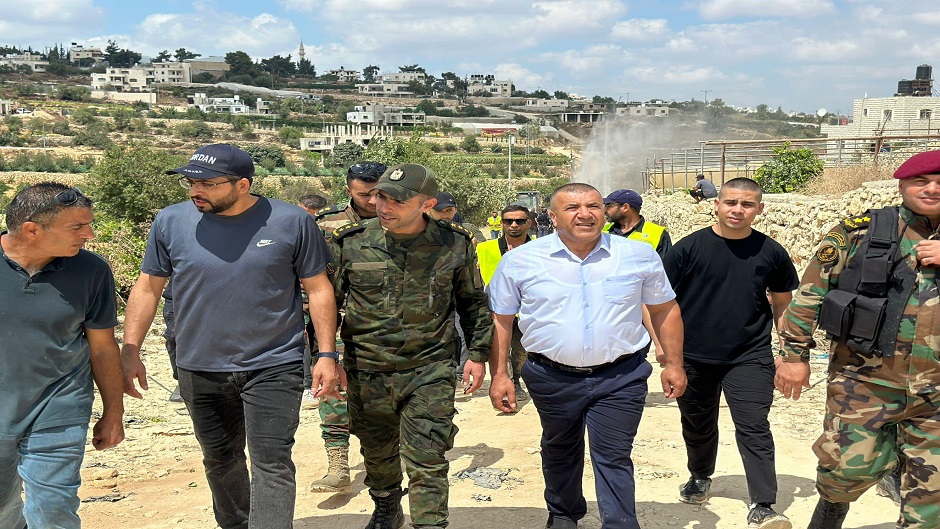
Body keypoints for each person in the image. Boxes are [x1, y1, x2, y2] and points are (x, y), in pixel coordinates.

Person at [121, 143, 341, 529]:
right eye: (191, 182)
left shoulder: (292, 221)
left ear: (242, 184)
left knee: (272, 462)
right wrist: (130, 348)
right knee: (221, 460)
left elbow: (319, 288)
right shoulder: (170, 221)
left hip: (274, 363)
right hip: (199, 365)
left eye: (207, 184)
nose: (195, 190)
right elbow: (148, 288)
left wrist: (326, 355)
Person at [487, 183, 687, 529]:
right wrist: (500, 374)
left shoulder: (637, 255)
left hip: (620, 376)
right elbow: (501, 319)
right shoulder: (520, 261)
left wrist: (674, 363)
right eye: (572, 208)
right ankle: (564, 515)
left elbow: (664, 309)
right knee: (559, 449)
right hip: (550, 376)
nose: (585, 214)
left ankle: (620, 523)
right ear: (551, 217)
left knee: (613, 454)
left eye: (593, 206)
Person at [776, 150, 940, 529]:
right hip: (864, 381)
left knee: (932, 498)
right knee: (844, 473)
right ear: (902, 185)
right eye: (921, 181)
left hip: (935, 394)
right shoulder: (859, 232)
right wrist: (794, 357)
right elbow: (810, 296)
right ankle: (832, 513)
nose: (932, 190)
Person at [329, 163, 493, 529]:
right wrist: (324, 357)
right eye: (380, 197)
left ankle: (430, 524)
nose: (384, 207)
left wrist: (478, 355)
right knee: (377, 450)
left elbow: (473, 303)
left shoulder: (454, 243)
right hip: (366, 367)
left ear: (427, 204)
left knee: (428, 454)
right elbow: (325, 305)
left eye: (397, 201)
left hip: (429, 367)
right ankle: (387, 505)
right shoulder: (350, 242)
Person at [662, 177, 799, 529]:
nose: (738, 210)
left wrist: (790, 354)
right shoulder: (687, 249)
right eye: (731, 202)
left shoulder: (771, 252)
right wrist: (666, 353)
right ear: (716, 204)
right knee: (698, 423)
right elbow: (659, 303)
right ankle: (700, 476)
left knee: (754, 426)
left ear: (759, 209)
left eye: (747, 204)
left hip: (750, 355)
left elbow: (783, 306)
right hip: (694, 356)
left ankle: (763, 504)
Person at [0, 182, 125, 529]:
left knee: (53, 508)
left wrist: (113, 412)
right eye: (77, 227)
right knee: (3, 512)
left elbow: (103, 347)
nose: (90, 235)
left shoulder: (92, 271)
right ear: (31, 230)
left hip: (59, 405)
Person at [305, 160, 386, 493]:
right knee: (333, 389)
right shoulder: (325, 224)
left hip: (386, 323)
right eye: (364, 195)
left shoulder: (401, 219)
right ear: (348, 190)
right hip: (335, 321)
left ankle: (379, 460)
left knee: (379, 394)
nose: (372, 201)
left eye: (378, 193)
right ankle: (337, 463)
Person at [476, 204, 533, 400]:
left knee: (521, 350)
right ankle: (502, 381)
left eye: (519, 221)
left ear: (529, 223)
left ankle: (516, 379)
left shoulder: (540, 249)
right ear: (501, 223)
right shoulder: (484, 249)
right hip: (495, 309)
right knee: (499, 349)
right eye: (509, 221)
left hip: (527, 310)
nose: (514, 225)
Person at [602, 189, 672, 257]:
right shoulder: (603, 231)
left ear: (625, 207)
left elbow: (665, 263)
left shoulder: (657, 233)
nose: (604, 210)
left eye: (608, 206)